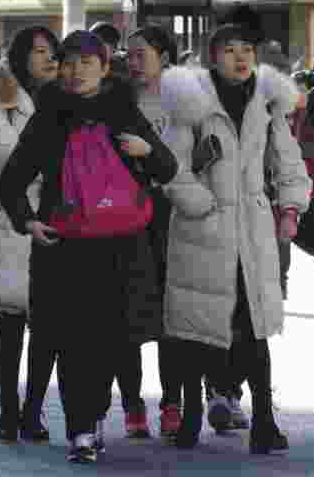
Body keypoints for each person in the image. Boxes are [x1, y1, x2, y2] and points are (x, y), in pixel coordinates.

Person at [0, 30, 177, 464]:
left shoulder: (124, 112)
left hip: (121, 247)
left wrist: (145, 148)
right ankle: (81, 429)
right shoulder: (49, 116)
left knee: (113, 342)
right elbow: (12, 180)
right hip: (66, 248)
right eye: (69, 63)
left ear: (103, 67)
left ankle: (94, 418)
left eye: (87, 63)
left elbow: (167, 168)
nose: (77, 71)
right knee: (74, 343)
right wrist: (28, 222)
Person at [160, 16, 310, 453]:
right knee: (196, 331)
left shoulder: (268, 101)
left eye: (247, 50)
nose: (241, 58)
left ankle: (264, 419)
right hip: (201, 230)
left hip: (251, 229)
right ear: (213, 56)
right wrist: (198, 200)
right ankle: (190, 417)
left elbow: (289, 160)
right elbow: (170, 167)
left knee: (254, 330)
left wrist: (290, 206)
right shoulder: (191, 101)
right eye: (230, 50)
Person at [0, 60, 52, 442]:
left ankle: (33, 409)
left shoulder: (52, 101)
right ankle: (9, 405)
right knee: (10, 315)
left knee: (45, 325)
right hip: (8, 224)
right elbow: (2, 158)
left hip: (51, 218)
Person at [124, 26, 181, 439]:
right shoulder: (119, 99)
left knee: (171, 317)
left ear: (164, 56)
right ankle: (131, 404)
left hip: (174, 214)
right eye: (129, 53)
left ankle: (172, 402)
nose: (133, 60)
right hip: (127, 216)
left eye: (141, 53)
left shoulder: (186, 102)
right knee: (127, 313)